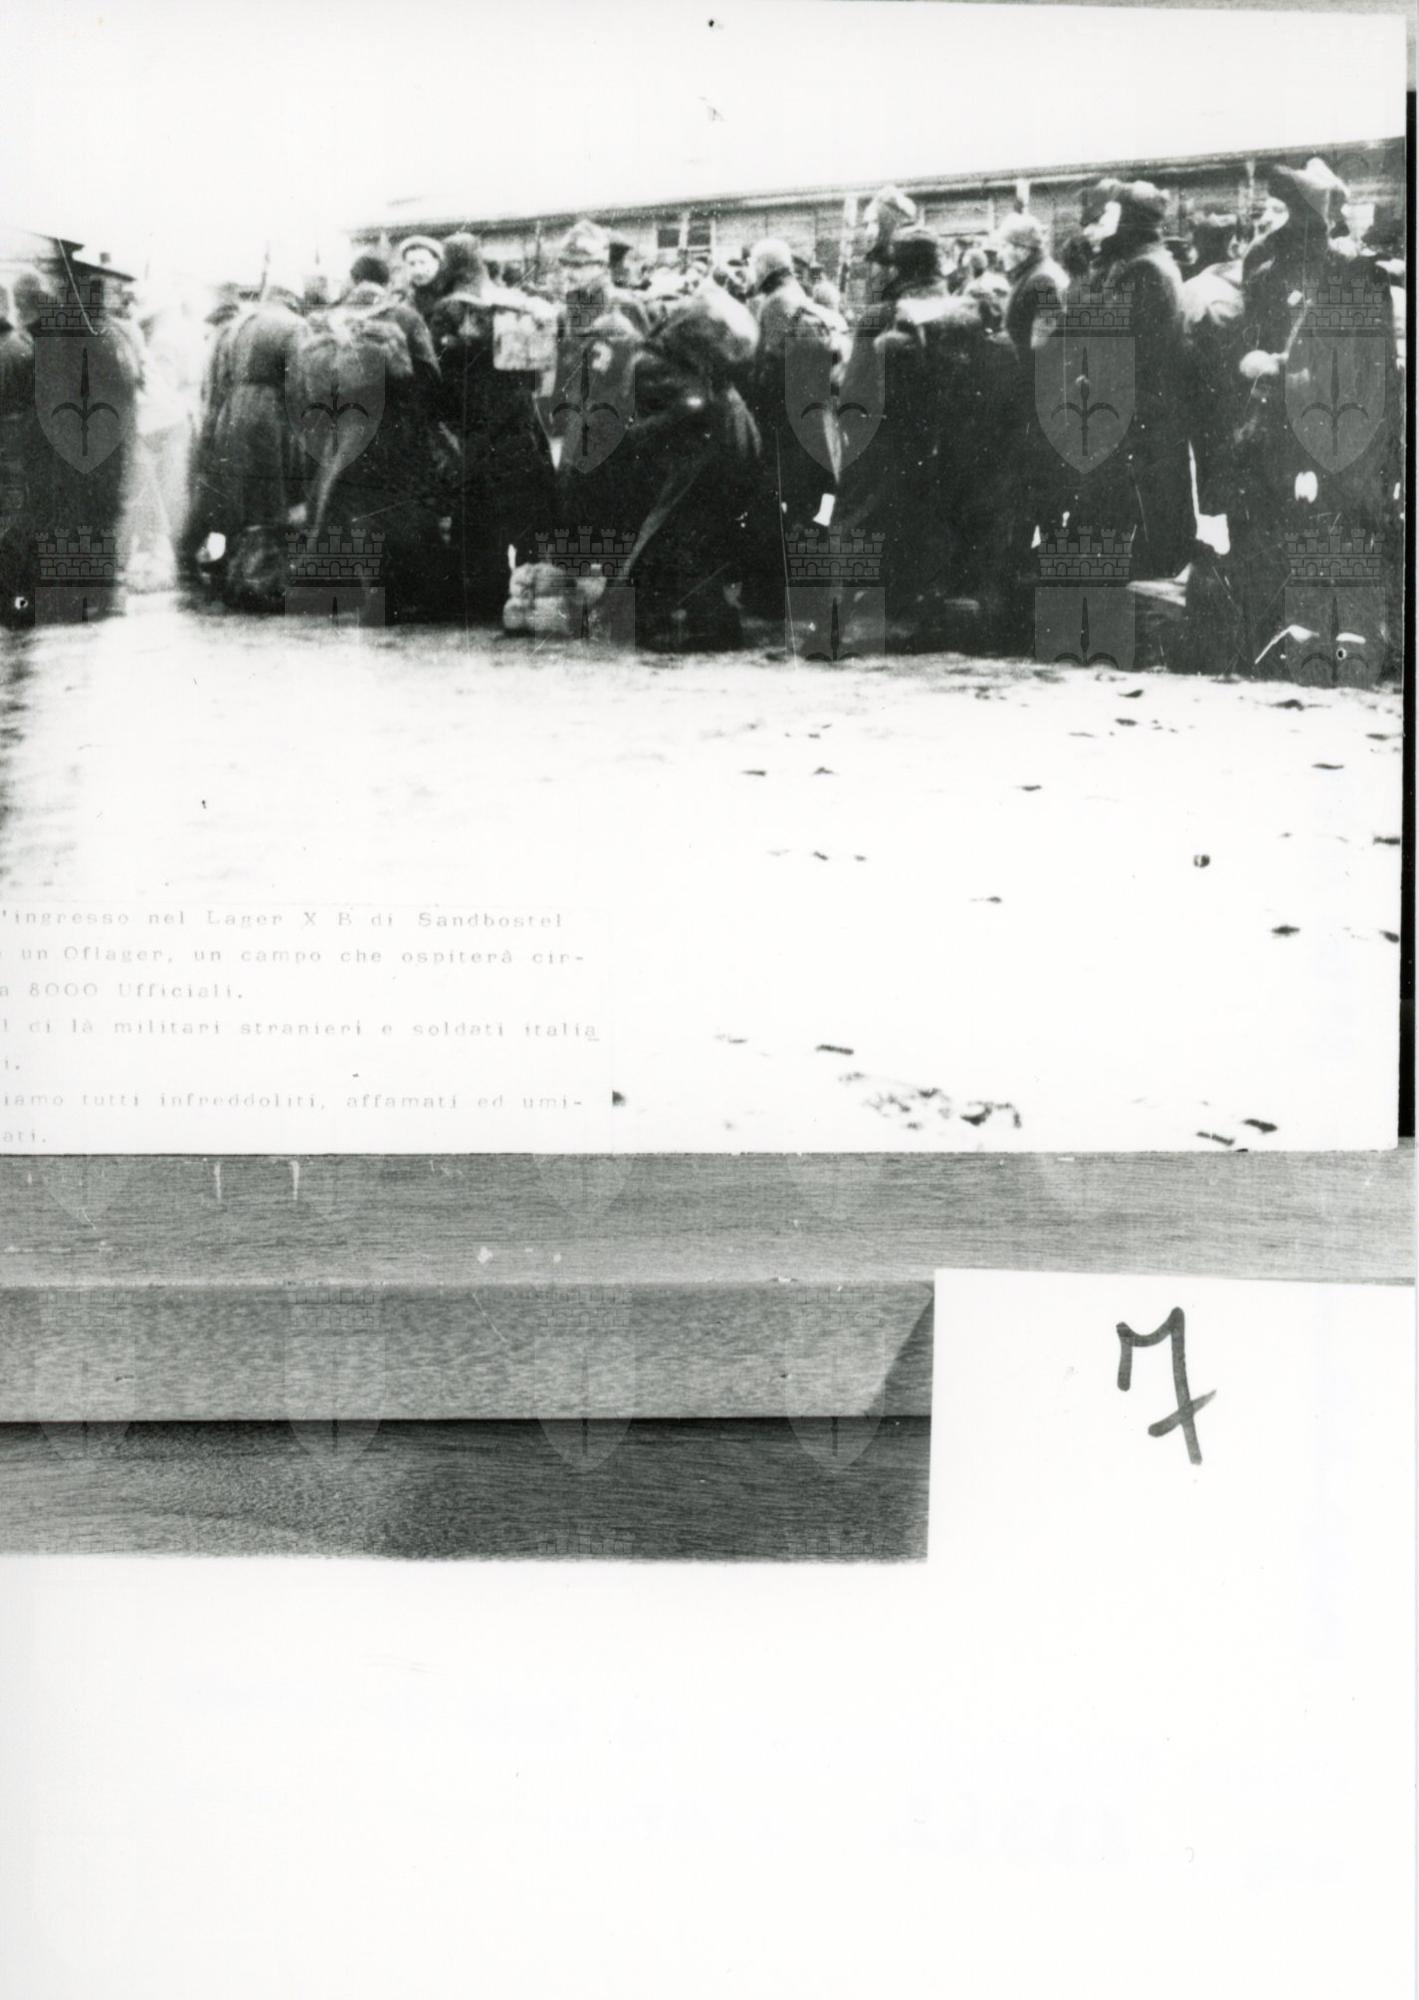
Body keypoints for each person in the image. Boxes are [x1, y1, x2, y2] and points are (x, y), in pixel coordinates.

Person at [428, 232, 557, 618]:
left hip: (474, 418)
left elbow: (440, 370)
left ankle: (482, 594)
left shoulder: (448, 308)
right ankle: (533, 587)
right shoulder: (515, 302)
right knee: (528, 502)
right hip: (519, 416)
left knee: (477, 506)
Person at [1071, 179, 1193, 579]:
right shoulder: (1139, 261)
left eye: (1110, 214)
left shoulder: (1142, 269)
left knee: (1136, 517)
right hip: (1138, 411)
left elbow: (1123, 345)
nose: (1100, 224)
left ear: (1129, 218)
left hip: (1137, 414)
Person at [738, 237, 840, 617]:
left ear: (763, 268)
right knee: (812, 509)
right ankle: (813, 596)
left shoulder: (773, 305)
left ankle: (773, 601)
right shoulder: (807, 301)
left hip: (784, 426)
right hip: (818, 423)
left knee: (777, 509)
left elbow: (763, 370)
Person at [201, 271, 309, 603]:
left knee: (239, 497)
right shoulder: (294, 326)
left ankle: (233, 574)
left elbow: (218, 379)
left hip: (233, 412)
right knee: (273, 496)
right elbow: (299, 383)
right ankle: (266, 579)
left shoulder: (236, 325)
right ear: (292, 299)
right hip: (271, 414)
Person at [394, 236, 446, 321]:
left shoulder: (448, 294)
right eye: (412, 264)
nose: (418, 271)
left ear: (436, 263)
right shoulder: (402, 298)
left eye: (423, 263)